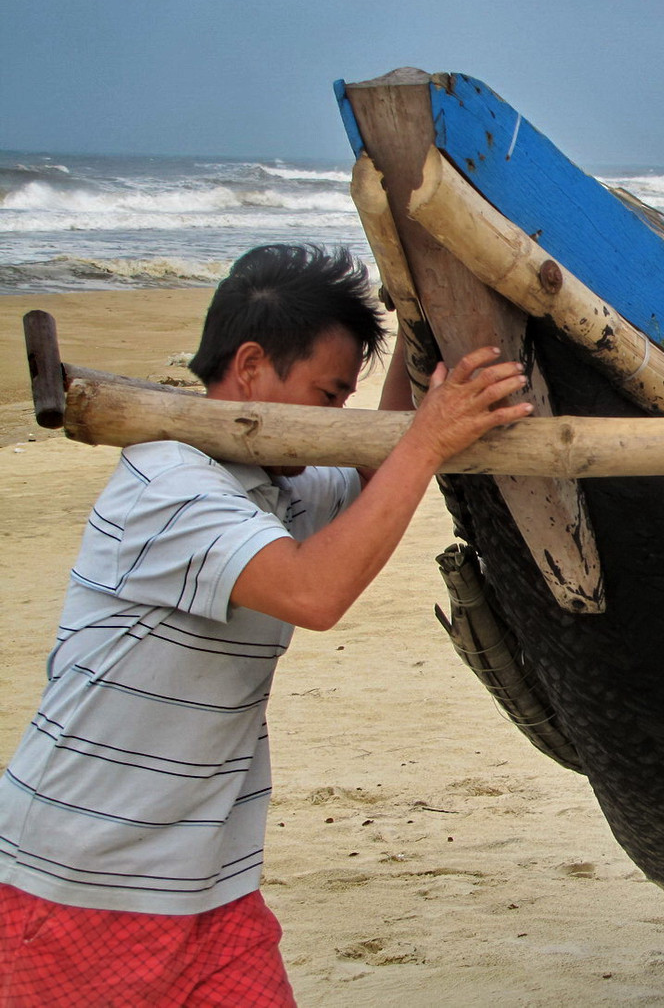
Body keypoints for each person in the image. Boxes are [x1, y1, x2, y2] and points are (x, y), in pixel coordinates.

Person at [0, 244, 531, 1005]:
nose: (334, 420)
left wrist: (419, 325)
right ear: (250, 366)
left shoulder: (272, 480)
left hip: (209, 885)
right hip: (81, 879)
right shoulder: (170, 485)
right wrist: (430, 439)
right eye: (326, 394)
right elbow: (315, 591)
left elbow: (372, 474)